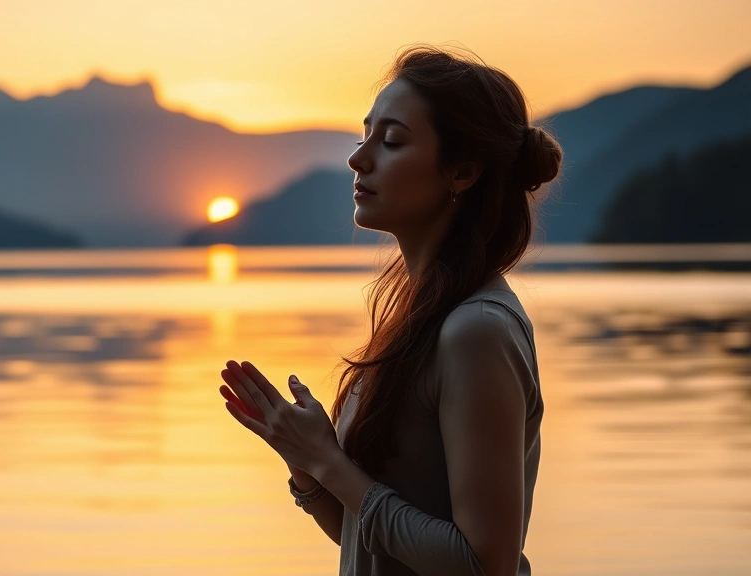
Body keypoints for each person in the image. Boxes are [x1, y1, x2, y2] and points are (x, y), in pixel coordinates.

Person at [217, 44, 562, 576]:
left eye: (393, 140)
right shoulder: (420, 319)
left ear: (462, 170)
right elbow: (369, 538)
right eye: (365, 134)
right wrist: (306, 463)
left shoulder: (477, 331)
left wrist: (331, 461)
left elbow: (481, 565)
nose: (359, 158)